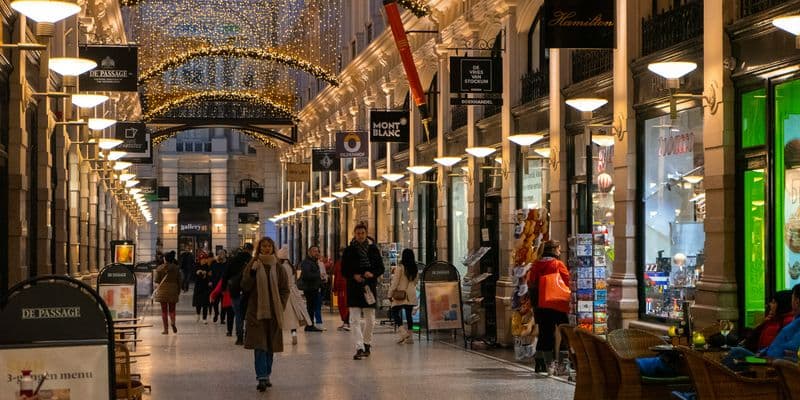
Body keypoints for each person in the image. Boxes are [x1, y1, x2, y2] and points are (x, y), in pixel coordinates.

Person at [241, 237, 289, 391]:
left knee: (270, 346)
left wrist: (280, 305)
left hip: (274, 313)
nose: (266, 249)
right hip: (257, 312)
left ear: (272, 248)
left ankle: (267, 374)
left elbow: (284, 289)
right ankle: (261, 377)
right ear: (259, 248)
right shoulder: (253, 264)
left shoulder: (278, 267)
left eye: (269, 246)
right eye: (264, 246)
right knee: (260, 345)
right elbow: (245, 286)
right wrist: (253, 273)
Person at [342, 222, 385, 360]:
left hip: (368, 288)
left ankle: (367, 343)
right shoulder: (349, 250)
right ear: (354, 234)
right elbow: (344, 269)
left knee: (370, 319)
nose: (360, 235)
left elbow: (380, 267)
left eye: (362, 233)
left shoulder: (373, 249)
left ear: (366, 234)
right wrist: (353, 275)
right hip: (354, 287)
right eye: (358, 233)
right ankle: (359, 347)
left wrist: (372, 274)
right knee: (354, 319)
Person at [527, 240, 570, 373]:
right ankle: (563, 362)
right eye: (559, 249)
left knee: (545, 333)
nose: (560, 252)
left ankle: (542, 363)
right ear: (554, 249)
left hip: (540, 305)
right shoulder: (557, 264)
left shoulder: (535, 265)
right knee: (565, 331)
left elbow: (530, 284)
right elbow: (568, 281)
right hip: (557, 303)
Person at [277, 245, 312, 345]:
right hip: (293, 292)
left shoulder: (280, 267)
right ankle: (294, 334)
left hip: (283, 293)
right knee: (293, 316)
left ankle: (278, 337)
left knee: (281, 316)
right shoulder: (291, 266)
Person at [223, 243, 254, 345]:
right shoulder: (252, 261)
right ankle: (248, 336)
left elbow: (226, 274)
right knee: (249, 314)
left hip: (234, 290)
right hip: (248, 291)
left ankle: (239, 337)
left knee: (238, 314)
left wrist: (224, 288)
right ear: (251, 250)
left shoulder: (233, 260)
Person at [389, 248, 418, 344]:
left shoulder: (400, 268)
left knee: (394, 311)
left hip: (401, 294)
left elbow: (395, 282)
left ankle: (402, 332)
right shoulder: (415, 268)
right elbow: (415, 282)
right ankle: (410, 337)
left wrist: (390, 294)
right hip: (411, 293)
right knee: (409, 315)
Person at [154, 250, 181, 334]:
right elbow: (179, 281)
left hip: (163, 290)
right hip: (173, 290)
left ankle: (166, 330)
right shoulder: (176, 268)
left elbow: (157, 281)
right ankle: (173, 322)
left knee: (164, 311)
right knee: (172, 310)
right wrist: (178, 291)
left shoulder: (160, 268)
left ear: (165, 259)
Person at [299, 246, 324, 332]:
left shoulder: (314, 262)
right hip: (309, 288)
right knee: (310, 307)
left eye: (317, 251)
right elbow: (307, 275)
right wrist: (319, 275)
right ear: (309, 252)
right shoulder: (306, 262)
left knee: (312, 307)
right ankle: (309, 325)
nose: (316, 253)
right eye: (314, 251)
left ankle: (310, 324)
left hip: (314, 287)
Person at [332, 248, 350, 331]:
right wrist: (335, 288)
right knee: (342, 304)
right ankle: (345, 322)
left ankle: (346, 322)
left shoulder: (347, 262)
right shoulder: (339, 262)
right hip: (341, 286)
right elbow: (336, 276)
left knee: (344, 304)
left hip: (345, 286)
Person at [209, 250, 228, 323]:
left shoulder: (227, 263)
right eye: (220, 254)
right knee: (215, 302)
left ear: (225, 255)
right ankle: (216, 314)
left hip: (224, 285)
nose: (221, 255)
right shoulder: (214, 263)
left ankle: (222, 318)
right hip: (216, 285)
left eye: (222, 254)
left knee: (224, 303)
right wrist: (210, 281)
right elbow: (210, 273)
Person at [193, 254, 213, 323]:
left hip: (205, 287)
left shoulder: (208, 267)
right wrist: (197, 272)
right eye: (202, 259)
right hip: (198, 287)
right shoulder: (196, 266)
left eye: (205, 259)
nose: (204, 260)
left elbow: (210, 276)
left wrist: (208, 277)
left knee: (205, 303)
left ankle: (204, 318)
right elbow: (193, 275)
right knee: (198, 302)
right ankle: (198, 314)